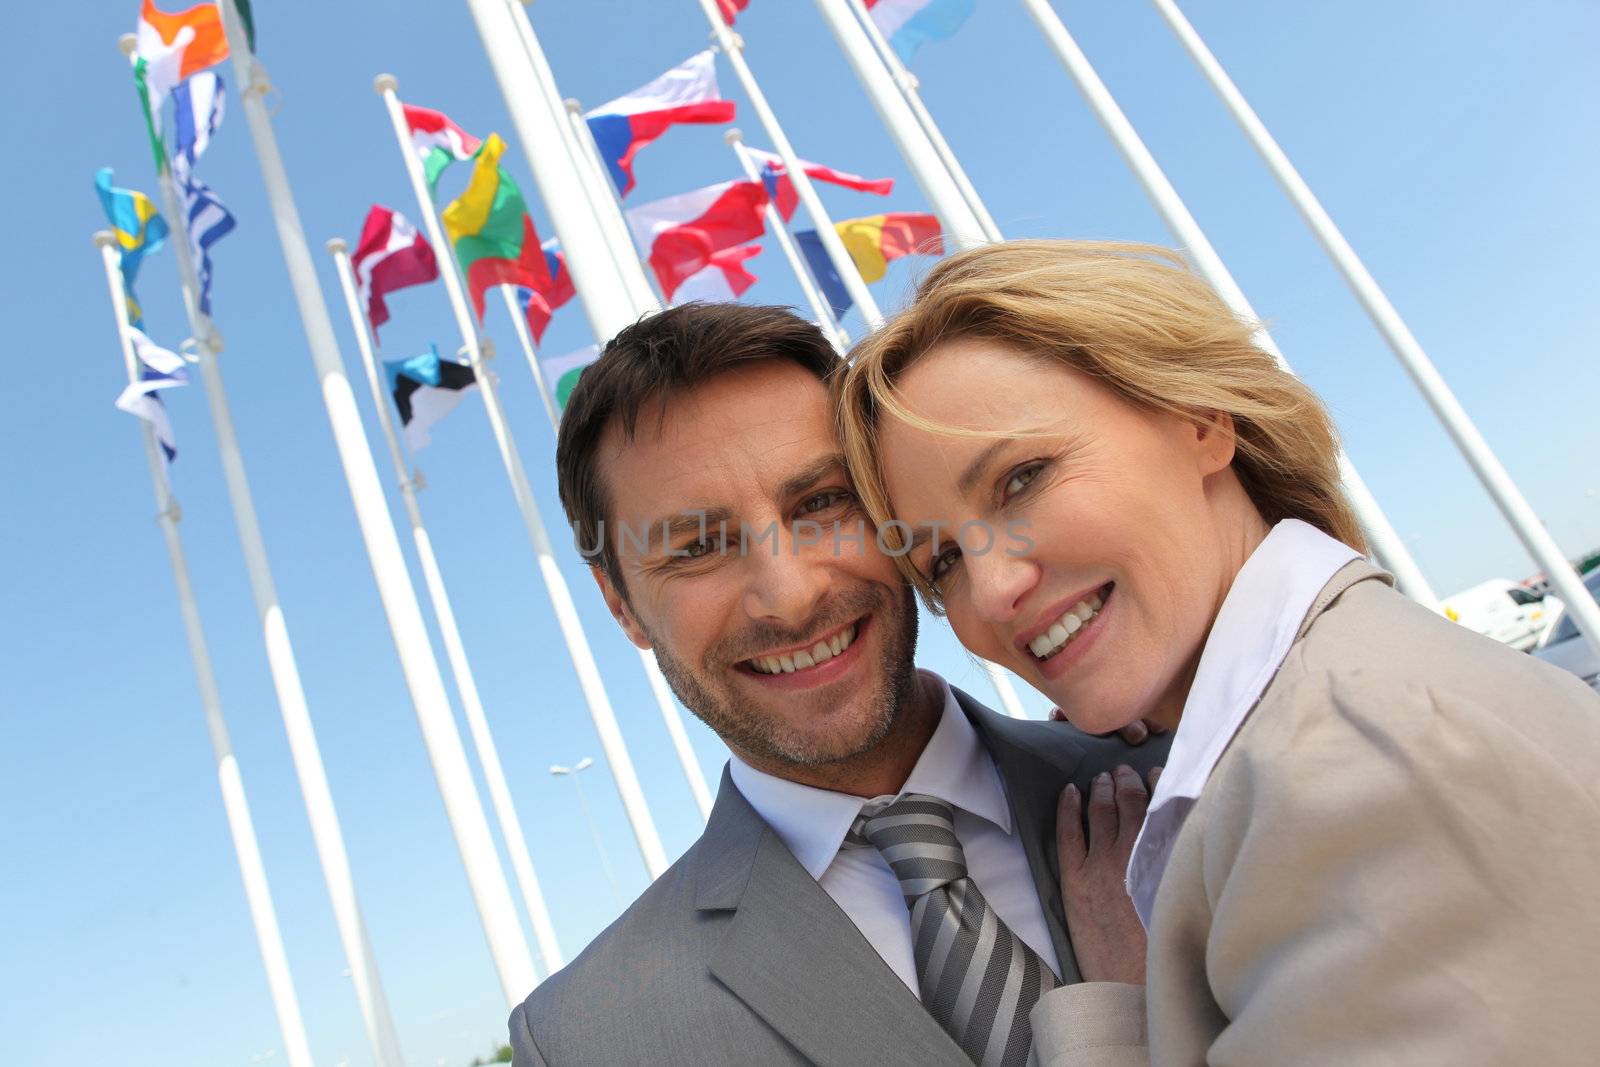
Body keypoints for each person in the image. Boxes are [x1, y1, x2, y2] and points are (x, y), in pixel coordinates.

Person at [834, 238, 1600, 1065]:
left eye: (1022, 478)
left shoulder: (1360, 773)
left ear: (1199, 418)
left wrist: (1133, 1007)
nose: (988, 590)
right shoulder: (1313, 727)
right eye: (941, 560)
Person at [507, 302, 1167, 1066]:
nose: (789, 594)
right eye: (697, 547)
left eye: (821, 502)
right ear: (621, 604)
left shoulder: (1187, 772)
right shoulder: (585, 1041)